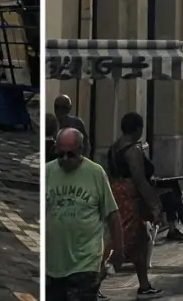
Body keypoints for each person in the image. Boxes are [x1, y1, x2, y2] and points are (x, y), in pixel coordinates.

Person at [106, 111, 183, 297]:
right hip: (131, 198)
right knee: (123, 241)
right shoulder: (133, 150)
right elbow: (139, 179)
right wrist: (154, 204)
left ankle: (144, 285)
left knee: (141, 240)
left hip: (117, 193)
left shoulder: (114, 148)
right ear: (138, 129)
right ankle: (95, 283)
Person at [45, 127, 124, 301]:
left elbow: (112, 214)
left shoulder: (96, 173)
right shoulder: (48, 172)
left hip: (85, 262)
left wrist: (118, 249)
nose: (65, 159)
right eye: (61, 154)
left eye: (70, 154)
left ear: (81, 150)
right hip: (52, 264)